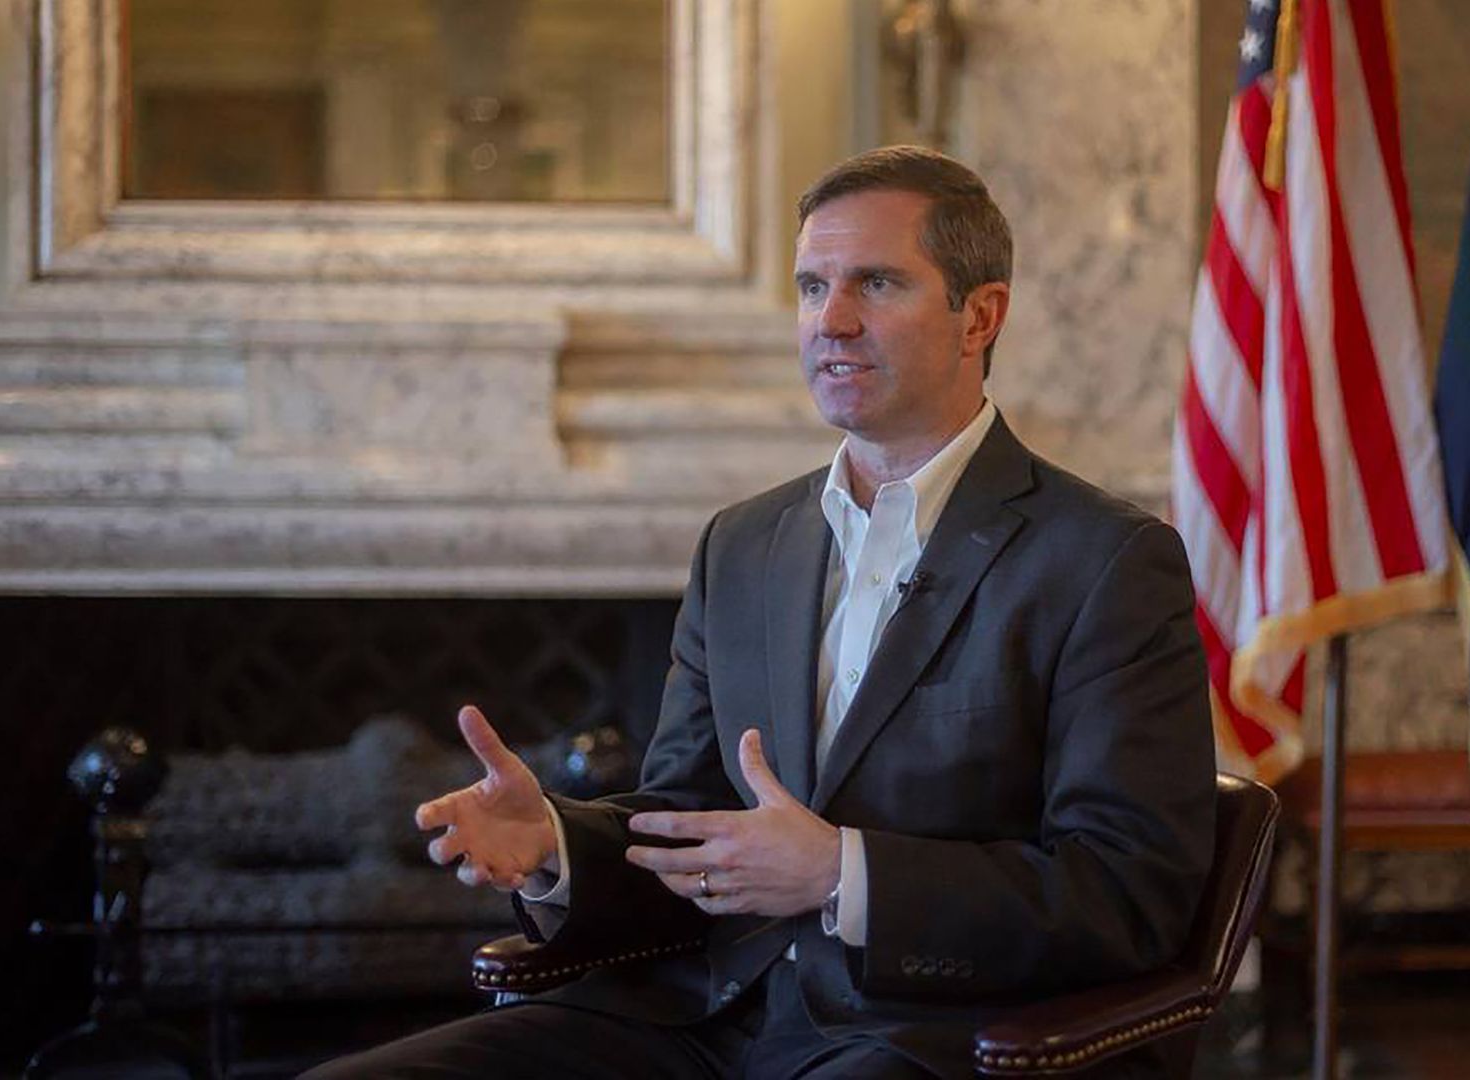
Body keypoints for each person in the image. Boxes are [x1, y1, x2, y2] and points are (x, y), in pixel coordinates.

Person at [304, 146, 1216, 1079]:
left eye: (878, 283)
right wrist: (558, 844)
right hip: (694, 1018)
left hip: (918, 1035)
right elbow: (686, 818)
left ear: (979, 316)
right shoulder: (742, 545)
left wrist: (842, 872)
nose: (835, 320)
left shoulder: (1104, 560)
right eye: (812, 286)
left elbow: (1128, 893)